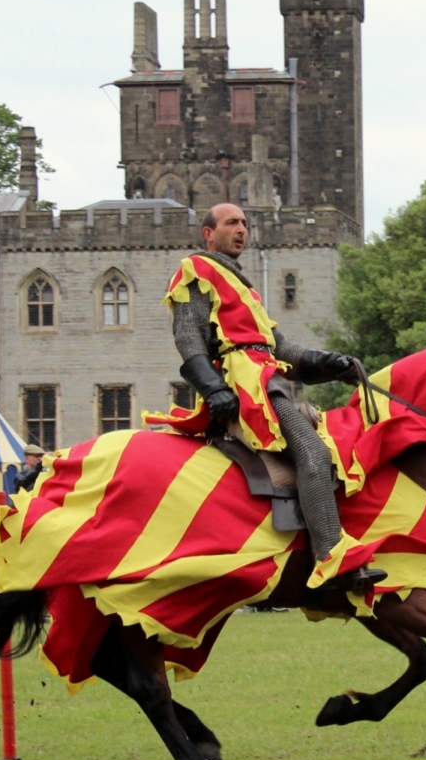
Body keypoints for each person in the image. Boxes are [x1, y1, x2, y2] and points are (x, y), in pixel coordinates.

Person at [154, 202, 376, 594]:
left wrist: (332, 363)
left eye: (244, 223)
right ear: (209, 234)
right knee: (314, 453)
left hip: (268, 383)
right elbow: (188, 337)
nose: (242, 229)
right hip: (243, 390)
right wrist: (214, 388)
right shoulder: (197, 270)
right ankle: (330, 559)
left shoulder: (245, 287)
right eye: (231, 223)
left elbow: (278, 347)